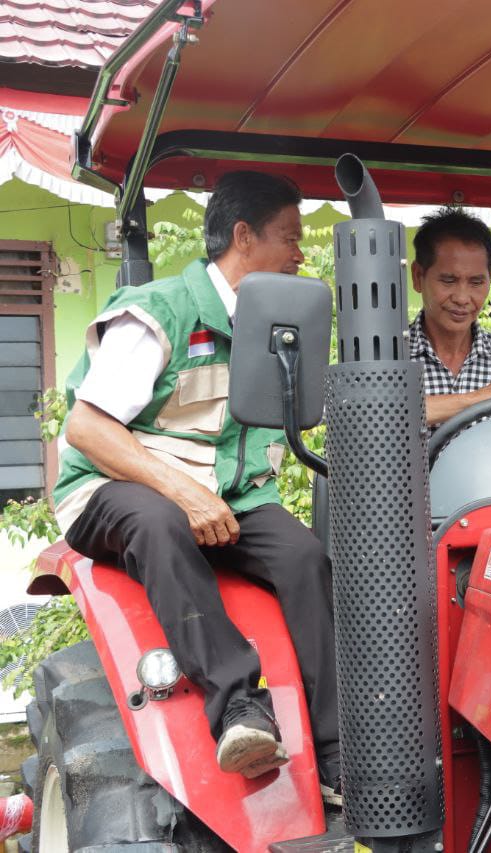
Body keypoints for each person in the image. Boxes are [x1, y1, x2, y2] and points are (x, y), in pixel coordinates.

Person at [52, 172, 341, 803]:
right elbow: (87, 428)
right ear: (243, 237)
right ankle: (238, 708)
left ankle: (340, 749)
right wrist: (183, 493)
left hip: (231, 497)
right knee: (158, 523)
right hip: (112, 489)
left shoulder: (274, 329)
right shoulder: (160, 314)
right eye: (290, 239)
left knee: (306, 557)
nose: (300, 255)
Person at [408, 208, 491, 438]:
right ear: (418, 276)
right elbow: (376, 416)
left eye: (476, 282)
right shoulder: (388, 358)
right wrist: (484, 397)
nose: (462, 298)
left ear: (490, 278)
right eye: (448, 280)